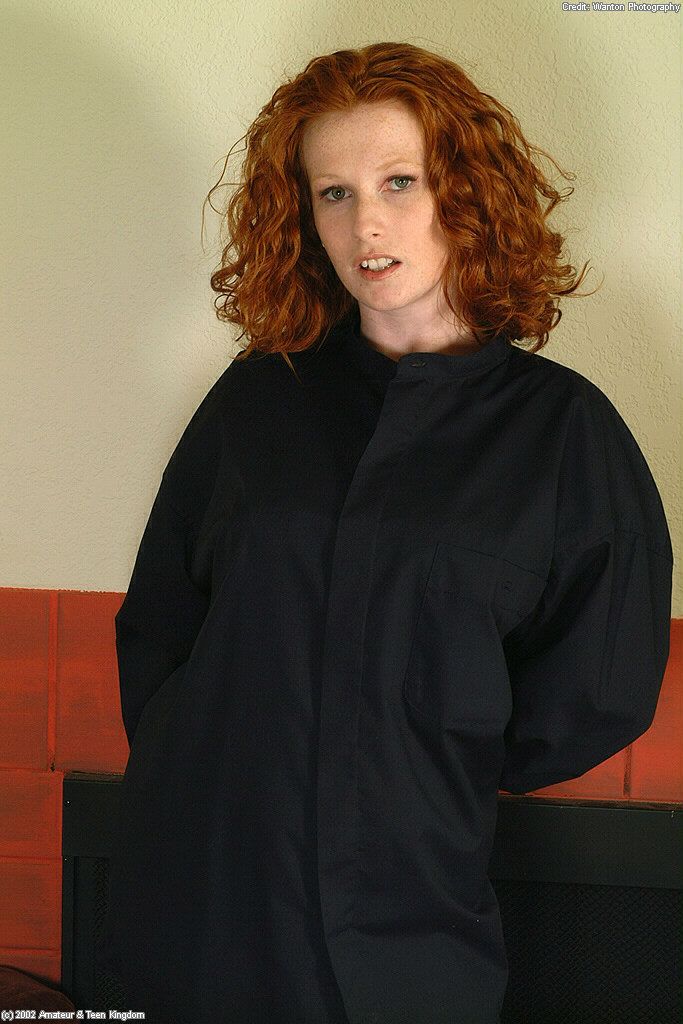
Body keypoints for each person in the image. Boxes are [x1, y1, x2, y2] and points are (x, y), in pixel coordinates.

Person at [104, 41, 673, 1024]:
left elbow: (599, 682)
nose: (365, 222)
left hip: (412, 894)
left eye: (398, 181)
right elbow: (161, 616)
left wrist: (428, 748)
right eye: (333, 193)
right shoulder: (257, 398)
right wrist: (187, 746)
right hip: (203, 880)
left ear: (466, 193)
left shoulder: (561, 431)